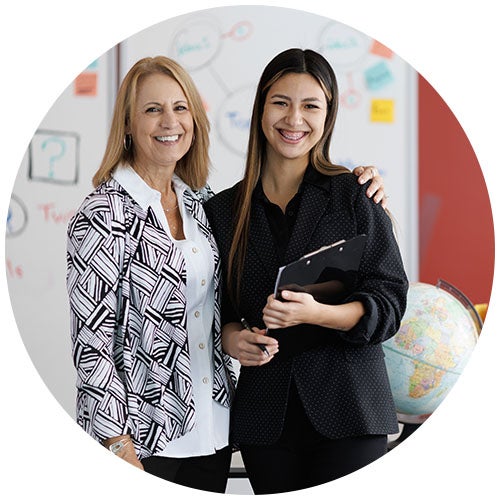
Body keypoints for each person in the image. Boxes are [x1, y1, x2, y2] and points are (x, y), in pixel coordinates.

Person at [66, 55, 387, 493]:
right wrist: (116, 444)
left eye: (181, 108)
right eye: (152, 109)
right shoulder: (130, 212)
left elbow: (220, 310)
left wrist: (248, 332)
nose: (169, 122)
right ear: (127, 123)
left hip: (227, 428)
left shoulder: (204, 205)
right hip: (156, 436)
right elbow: (94, 342)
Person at [204, 48, 408, 494]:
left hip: (351, 412)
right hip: (266, 424)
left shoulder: (354, 194)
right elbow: (218, 313)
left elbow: (390, 302)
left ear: (328, 114)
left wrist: (318, 314)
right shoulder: (222, 211)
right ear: (260, 108)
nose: (294, 119)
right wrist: (234, 339)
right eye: (280, 102)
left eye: (311, 105)